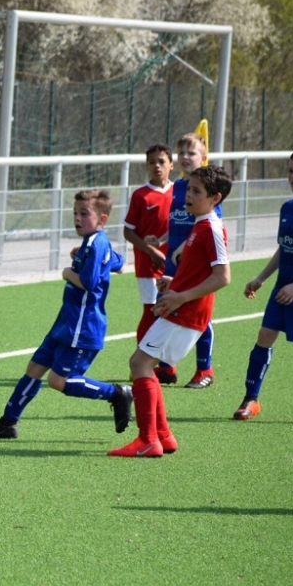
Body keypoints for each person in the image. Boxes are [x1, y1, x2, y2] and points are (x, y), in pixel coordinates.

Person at [0, 189, 132, 440]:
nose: (77, 218)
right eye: (75, 213)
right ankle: (7, 423)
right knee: (34, 367)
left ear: (102, 219)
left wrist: (68, 272)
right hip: (65, 323)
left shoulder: (97, 244)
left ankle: (117, 393)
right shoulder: (93, 243)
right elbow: (119, 264)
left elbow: (89, 283)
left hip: (82, 327)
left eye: (84, 214)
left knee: (58, 381)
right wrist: (85, 256)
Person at [109, 165, 232, 458]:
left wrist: (181, 296)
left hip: (186, 312)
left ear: (215, 198)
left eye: (197, 191)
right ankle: (162, 436)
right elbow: (199, 271)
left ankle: (148, 440)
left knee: (139, 364)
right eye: (188, 189)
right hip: (180, 307)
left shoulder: (212, 228)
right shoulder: (199, 224)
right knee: (144, 364)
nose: (188, 195)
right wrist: (174, 283)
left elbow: (222, 277)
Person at [149, 132, 221, 388]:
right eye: (181, 153)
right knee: (164, 307)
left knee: (198, 317)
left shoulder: (208, 190)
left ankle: (205, 369)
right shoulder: (178, 186)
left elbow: (211, 224)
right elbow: (177, 222)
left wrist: (184, 248)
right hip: (174, 261)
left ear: (204, 157)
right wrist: (161, 240)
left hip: (195, 264)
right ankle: (167, 367)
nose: (185, 157)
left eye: (192, 153)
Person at [235, 152, 293, 420]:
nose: (292, 177)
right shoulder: (287, 208)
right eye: (290, 171)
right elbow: (284, 248)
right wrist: (261, 278)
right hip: (282, 287)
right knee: (265, 335)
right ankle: (251, 398)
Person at [123, 144, 173, 347]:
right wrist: (151, 251)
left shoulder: (179, 192)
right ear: (146, 166)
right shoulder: (140, 195)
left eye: (161, 161)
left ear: (171, 165)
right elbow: (128, 231)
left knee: (171, 309)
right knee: (151, 309)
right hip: (148, 264)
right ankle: (142, 357)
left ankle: (164, 359)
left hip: (174, 262)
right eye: (152, 162)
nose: (157, 166)